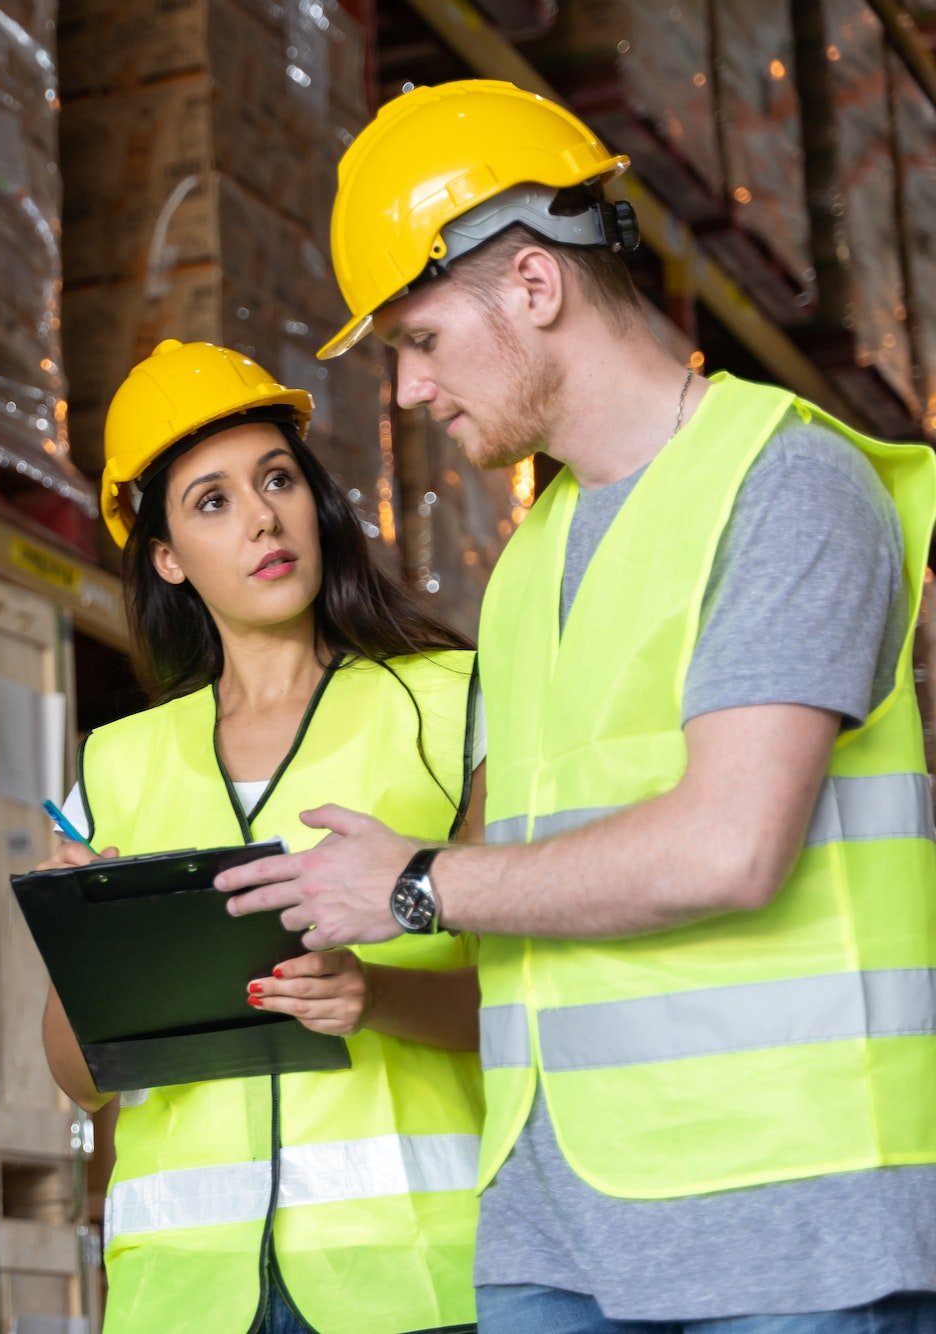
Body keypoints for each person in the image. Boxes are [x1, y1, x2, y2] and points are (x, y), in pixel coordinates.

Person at [216, 80, 936, 1331]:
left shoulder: (785, 484)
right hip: (552, 1228)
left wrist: (411, 885)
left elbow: (731, 845)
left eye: (420, 340)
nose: (407, 393)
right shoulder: (530, 562)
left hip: (782, 1221)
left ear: (534, 287)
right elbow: (511, 871)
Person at [39, 337, 488, 1334]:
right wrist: (92, 952)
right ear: (164, 555)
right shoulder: (117, 761)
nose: (260, 518)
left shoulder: (448, 706)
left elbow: (533, 1003)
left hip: (411, 1282)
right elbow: (74, 1076)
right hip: (186, 1292)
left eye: (275, 478)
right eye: (210, 500)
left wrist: (373, 994)